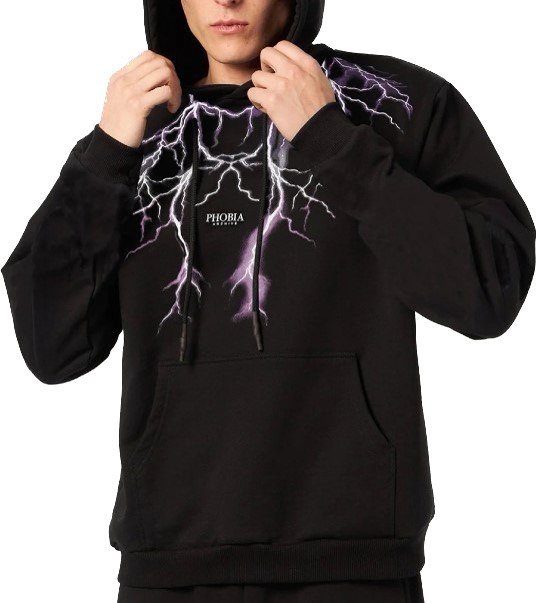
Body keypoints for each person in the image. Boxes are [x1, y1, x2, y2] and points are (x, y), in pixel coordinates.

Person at [2, 0, 535, 601]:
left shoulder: (400, 105)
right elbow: (52, 348)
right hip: (172, 568)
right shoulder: (135, 129)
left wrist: (333, 140)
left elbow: (490, 289)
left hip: (354, 566)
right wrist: (104, 155)